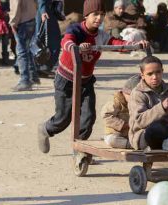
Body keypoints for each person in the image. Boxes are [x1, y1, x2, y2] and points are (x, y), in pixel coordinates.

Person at [37, 0, 149, 154]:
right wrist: (75, 48)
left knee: (88, 117)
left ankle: (81, 151)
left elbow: (117, 44)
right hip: (66, 80)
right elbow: (66, 41)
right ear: (86, 15)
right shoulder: (76, 30)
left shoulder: (101, 35)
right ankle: (45, 129)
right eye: (95, 14)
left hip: (85, 81)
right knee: (63, 118)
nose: (99, 18)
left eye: (102, 15)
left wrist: (136, 44)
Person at [102, 75, 141, 149]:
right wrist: (124, 124)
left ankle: (139, 143)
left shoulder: (139, 103)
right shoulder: (115, 101)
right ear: (124, 93)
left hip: (132, 133)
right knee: (112, 140)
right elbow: (106, 116)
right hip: (115, 133)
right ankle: (132, 145)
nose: (135, 99)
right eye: (132, 96)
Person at [9, 0, 39, 91]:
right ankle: (33, 77)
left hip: (22, 22)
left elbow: (15, 6)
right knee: (28, 50)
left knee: (21, 52)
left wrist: (13, 22)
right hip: (31, 19)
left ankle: (25, 81)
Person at [36, 0, 62, 74]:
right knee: (51, 40)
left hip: (45, 11)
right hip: (45, 13)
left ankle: (42, 67)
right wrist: (43, 10)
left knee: (43, 39)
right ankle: (44, 66)